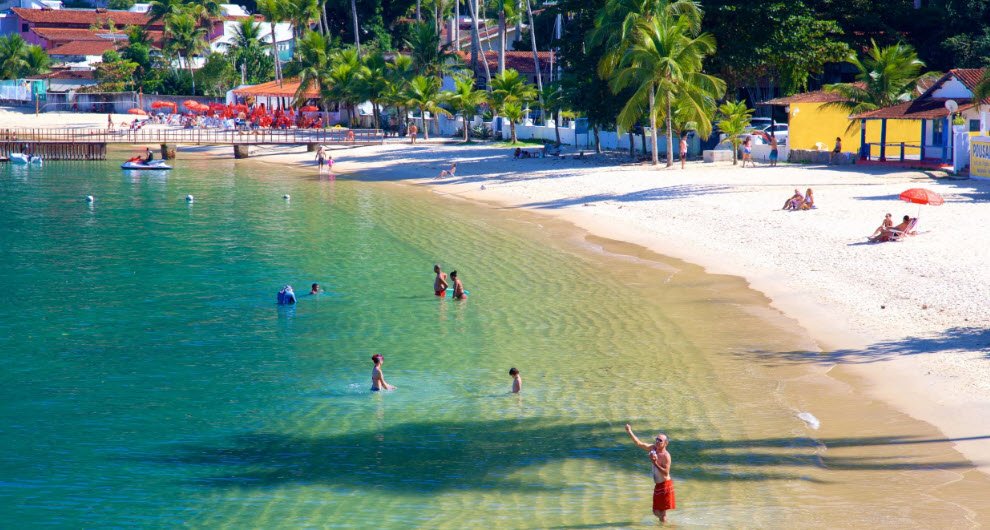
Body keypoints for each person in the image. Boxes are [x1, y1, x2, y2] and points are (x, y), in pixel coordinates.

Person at [626, 424, 675, 524]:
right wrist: (629, 431)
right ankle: (666, 525)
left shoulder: (666, 456)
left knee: (662, 513)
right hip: (658, 485)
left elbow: (666, 472)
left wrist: (655, 462)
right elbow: (639, 443)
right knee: (656, 511)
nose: (657, 441)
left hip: (665, 485)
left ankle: (667, 526)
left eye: (660, 440)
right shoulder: (653, 448)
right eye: (657, 439)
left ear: (666, 443)